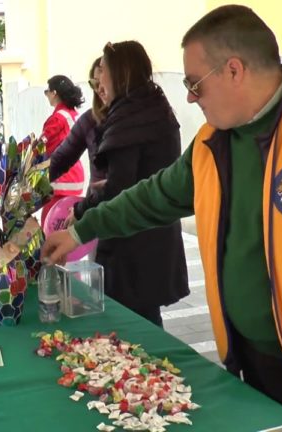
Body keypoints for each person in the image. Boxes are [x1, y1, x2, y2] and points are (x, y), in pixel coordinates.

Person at [42, 5, 282, 431]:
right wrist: (81, 229)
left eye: (195, 83)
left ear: (234, 70)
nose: (190, 96)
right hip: (256, 364)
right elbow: (153, 197)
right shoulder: (214, 142)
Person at [62, 42, 189, 327]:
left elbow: (119, 189)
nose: (98, 81)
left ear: (120, 73)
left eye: (103, 71)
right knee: (147, 319)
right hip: (156, 236)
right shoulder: (153, 107)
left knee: (133, 325)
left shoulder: (130, 117)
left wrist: (82, 210)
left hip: (134, 244)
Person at [49, 57, 108, 195]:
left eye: (105, 81)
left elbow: (46, 148)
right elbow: (62, 157)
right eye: (95, 83)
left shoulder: (58, 118)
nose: (100, 89)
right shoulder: (85, 118)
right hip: (79, 187)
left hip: (63, 185)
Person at [40, 74, 86, 226]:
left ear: (54, 93)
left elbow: (41, 147)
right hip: (74, 178)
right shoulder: (73, 115)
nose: (46, 96)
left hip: (60, 181)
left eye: (47, 92)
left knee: (49, 228)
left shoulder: (58, 118)